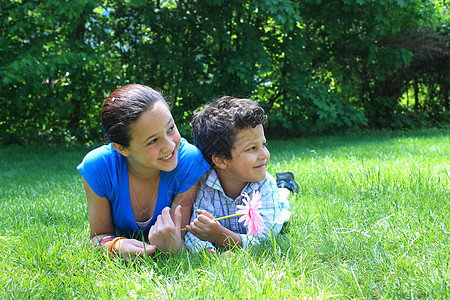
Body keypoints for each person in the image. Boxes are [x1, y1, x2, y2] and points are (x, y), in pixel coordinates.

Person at [77, 84, 210, 260]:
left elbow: (178, 238)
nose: (170, 146)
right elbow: (98, 236)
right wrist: (115, 246)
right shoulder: (98, 167)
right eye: (153, 141)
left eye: (170, 128)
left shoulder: (189, 161)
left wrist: (174, 247)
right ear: (121, 148)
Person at [185, 96, 298, 253]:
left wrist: (221, 236)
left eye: (263, 145)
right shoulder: (205, 186)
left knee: (282, 198)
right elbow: (194, 232)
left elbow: (266, 237)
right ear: (221, 161)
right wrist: (210, 254)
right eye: (252, 148)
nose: (265, 155)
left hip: (273, 201)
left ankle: (286, 184)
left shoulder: (264, 184)